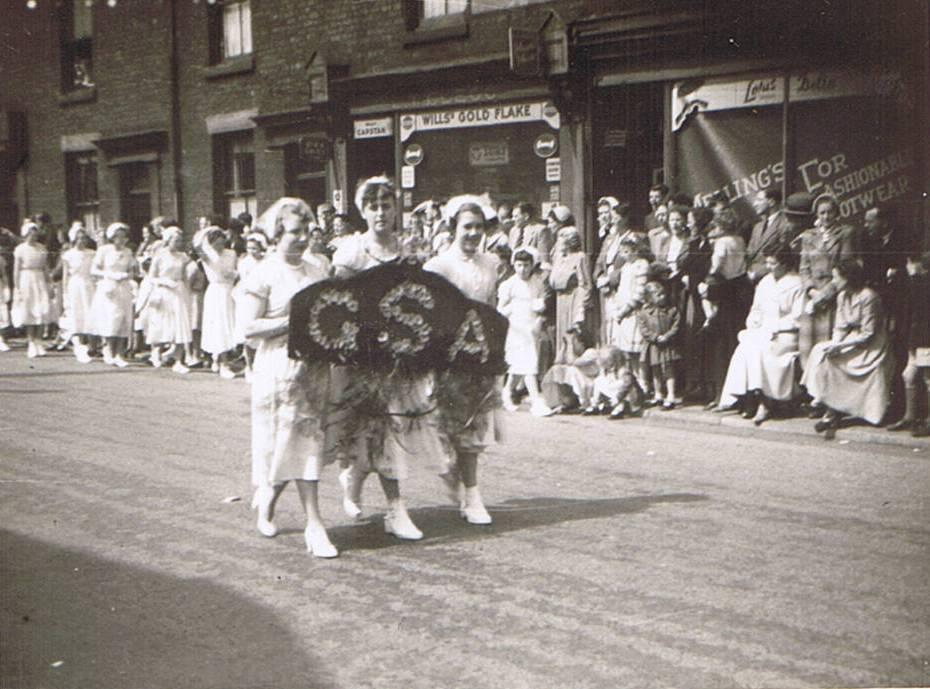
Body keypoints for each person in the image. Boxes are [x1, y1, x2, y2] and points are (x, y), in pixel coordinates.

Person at [333, 176, 433, 540]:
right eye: (373, 206)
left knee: (389, 429)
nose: (380, 212)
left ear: (395, 209)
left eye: (386, 205)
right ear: (363, 210)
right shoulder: (351, 252)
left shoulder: (406, 249)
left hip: (399, 355)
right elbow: (337, 304)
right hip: (364, 356)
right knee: (374, 429)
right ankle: (379, 498)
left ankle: (374, 495)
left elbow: (418, 299)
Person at [239, 197, 337, 557]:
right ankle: (308, 521)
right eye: (294, 232)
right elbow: (248, 328)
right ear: (277, 234)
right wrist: (291, 322)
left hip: (313, 371)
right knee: (288, 445)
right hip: (278, 370)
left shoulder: (318, 269)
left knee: (303, 445)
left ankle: (281, 506)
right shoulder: (262, 273)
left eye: (306, 232)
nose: (301, 239)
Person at [424, 194, 502, 525]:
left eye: (478, 227)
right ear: (453, 227)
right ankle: (451, 475)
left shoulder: (491, 264)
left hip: (478, 358)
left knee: (472, 430)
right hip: (446, 358)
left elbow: (492, 307)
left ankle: (472, 496)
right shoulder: (439, 266)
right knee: (441, 430)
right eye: (466, 227)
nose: (473, 234)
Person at [801, 258, 893, 439]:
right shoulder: (842, 296)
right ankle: (823, 401)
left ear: (849, 278)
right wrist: (835, 344)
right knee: (820, 351)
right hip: (851, 339)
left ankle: (832, 412)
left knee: (837, 360)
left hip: (872, 345)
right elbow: (840, 326)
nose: (833, 281)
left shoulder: (868, 296)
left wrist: (841, 346)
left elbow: (868, 333)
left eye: (836, 277)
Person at [717, 244, 805, 425]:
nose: (769, 267)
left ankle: (766, 402)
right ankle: (748, 397)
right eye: (768, 263)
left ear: (785, 264)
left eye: (773, 263)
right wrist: (754, 321)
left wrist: (776, 327)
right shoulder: (765, 282)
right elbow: (756, 309)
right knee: (744, 349)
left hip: (786, 334)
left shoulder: (797, 284)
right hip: (763, 330)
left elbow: (798, 317)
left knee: (764, 352)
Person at [797, 194, 860, 368]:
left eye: (830, 212)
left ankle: (827, 385)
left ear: (836, 213)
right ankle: (809, 386)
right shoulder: (808, 236)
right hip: (812, 295)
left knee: (828, 341)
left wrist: (824, 295)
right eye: (822, 213)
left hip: (834, 294)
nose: (826, 217)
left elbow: (845, 267)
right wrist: (811, 291)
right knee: (808, 344)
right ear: (816, 214)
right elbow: (803, 268)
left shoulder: (846, 233)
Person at [698, 210, 753, 410]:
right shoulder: (739, 240)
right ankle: (739, 396)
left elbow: (717, 264)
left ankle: (723, 395)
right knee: (734, 343)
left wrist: (708, 280)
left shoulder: (722, 242)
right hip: (741, 290)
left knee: (721, 346)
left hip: (724, 290)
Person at [498, 247, 551, 417]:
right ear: (514, 265)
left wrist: (539, 312)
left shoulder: (537, 283)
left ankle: (506, 394)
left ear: (531, 266)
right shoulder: (509, 285)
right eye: (519, 265)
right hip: (515, 328)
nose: (523, 269)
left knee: (518, 365)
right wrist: (513, 308)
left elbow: (540, 306)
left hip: (531, 327)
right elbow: (500, 309)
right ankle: (536, 402)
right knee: (529, 364)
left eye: (526, 265)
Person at [886, 251, 930, 437]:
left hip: (925, 339)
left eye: (911, 263)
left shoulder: (922, 284)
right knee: (909, 375)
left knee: (928, 379)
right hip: (916, 339)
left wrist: (912, 276)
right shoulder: (917, 284)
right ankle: (910, 416)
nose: (907, 266)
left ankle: (927, 421)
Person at [678, 206, 715, 402]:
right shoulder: (693, 243)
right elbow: (681, 263)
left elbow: (706, 269)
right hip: (693, 295)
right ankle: (695, 384)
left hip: (706, 296)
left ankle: (707, 386)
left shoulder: (710, 244)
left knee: (704, 339)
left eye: (691, 220)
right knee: (692, 338)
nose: (688, 223)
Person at [89, 222, 138, 366]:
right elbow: (94, 270)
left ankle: (120, 353)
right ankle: (109, 350)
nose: (121, 240)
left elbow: (132, 270)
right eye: (118, 237)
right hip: (109, 288)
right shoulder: (104, 250)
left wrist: (127, 275)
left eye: (124, 237)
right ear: (112, 237)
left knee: (124, 319)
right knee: (111, 319)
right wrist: (109, 275)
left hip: (123, 288)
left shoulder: (128, 252)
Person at [608, 235, 651, 395]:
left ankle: (644, 383)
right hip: (623, 313)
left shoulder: (641, 266)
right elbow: (621, 290)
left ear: (636, 251)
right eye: (622, 252)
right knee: (627, 352)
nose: (624, 255)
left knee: (638, 352)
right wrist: (617, 308)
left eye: (627, 251)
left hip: (634, 312)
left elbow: (639, 292)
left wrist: (626, 309)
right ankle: (631, 384)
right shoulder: (626, 267)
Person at [196, 226, 239, 379]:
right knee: (219, 327)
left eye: (222, 242)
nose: (220, 246)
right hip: (216, 293)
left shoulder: (231, 253)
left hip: (230, 292)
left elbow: (236, 271)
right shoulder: (207, 255)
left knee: (230, 326)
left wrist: (234, 274)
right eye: (216, 243)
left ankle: (218, 357)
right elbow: (196, 246)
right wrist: (206, 230)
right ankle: (223, 363)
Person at [549, 225, 593, 366]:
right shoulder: (558, 258)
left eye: (561, 240)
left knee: (573, 338)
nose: (558, 243)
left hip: (574, 299)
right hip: (560, 301)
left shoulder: (579, 257)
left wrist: (580, 309)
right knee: (561, 338)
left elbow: (585, 284)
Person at [637, 280, 682, 409]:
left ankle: (671, 395)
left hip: (668, 344)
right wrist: (655, 337)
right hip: (654, 345)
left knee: (669, 370)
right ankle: (658, 394)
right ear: (649, 298)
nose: (662, 297)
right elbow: (643, 329)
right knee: (656, 370)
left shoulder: (672, 310)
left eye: (663, 294)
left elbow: (676, 325)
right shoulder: (644, 313)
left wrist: (667, 336)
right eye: (658, 295)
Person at [12, 221, 52, 358]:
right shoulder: (20, 249)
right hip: (26, 279)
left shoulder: (42, 248)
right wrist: (17, 288)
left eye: (35, 235)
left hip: (39, 279)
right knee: (29, 310)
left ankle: (39, 341)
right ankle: (31, 343)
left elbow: (45, 268)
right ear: (25, 235)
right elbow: (16, 270)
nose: (33, 237)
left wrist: (49, 284)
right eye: (30, 235)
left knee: (41, 309)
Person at [61, 223, 97, 363]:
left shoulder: (92, 253)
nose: (81, 241)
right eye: (79, 238)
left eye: (84, 238)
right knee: (77, 315)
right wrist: (65, 295)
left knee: (90, 314)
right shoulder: (68, 255)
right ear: (73, 240)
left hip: (89, 286)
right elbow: (65, 276)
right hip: (75, 286)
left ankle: (91, 346)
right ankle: (80, 346)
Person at [233, 232, 267, 382]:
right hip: (248, 299)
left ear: (261, 248)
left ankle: (261, 367)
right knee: (248, 334)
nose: (251, 251)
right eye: (249, 248)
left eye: (254, 248)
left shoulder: (268, 261)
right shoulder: (244, 263)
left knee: (262, 334)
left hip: (264, 298)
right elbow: (244, 281)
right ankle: (249, 367)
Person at [593, 199, 627, 346]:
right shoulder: (609, 238)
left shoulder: (634, 238)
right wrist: (599, 277)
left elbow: (629, 265)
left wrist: (610, 279)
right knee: (608, 325)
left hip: (620, 287)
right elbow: (600, 261)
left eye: (614, 217)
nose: (611, 221)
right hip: (606, 289)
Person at [583, 346, 642, 419]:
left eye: (609, 363)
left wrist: (618, 398)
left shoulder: (623, 371)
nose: (607, 367)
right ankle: (595, 405)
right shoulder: (606, 370)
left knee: (621, 383)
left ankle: (619, 409)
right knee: (598, 380)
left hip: (628, 397)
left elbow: (626, 386)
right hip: (615, 396)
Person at [746, 190, 788, 283]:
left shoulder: (784, 224)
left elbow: (782, 257)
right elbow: (749, 254)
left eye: (759, 200)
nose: (754, 204)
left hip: (772, 279)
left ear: (771, 202)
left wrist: (756, 274)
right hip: (751, 278)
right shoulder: (758, 227)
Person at [508, 202, 552, 269]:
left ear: (526, 216)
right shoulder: (513, 231)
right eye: (512, 216)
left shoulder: (541, 230)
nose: (513, 219)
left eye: (516, 216)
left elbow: (544, 259)